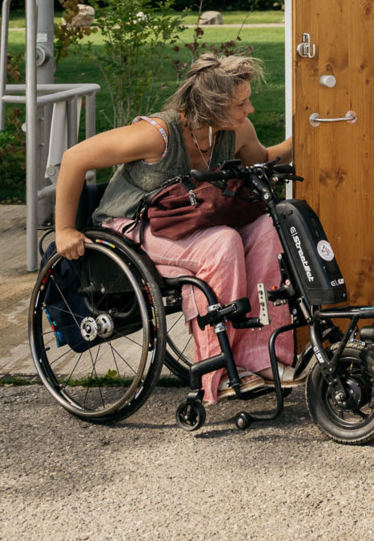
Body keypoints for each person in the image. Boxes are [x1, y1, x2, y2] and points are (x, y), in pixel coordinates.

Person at [52, 53, 294, 403]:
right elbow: (75, 158)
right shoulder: (157, 135)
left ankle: (261, 357)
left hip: (187, 223)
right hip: (132, 224)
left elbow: (264, 157)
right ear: (212, 106)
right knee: (222, 243)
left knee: (268, 229)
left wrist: (307, 133)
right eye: (242, 103)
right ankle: (217, 369)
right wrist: (64, 229)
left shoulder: (237, 130)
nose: (250, 109)